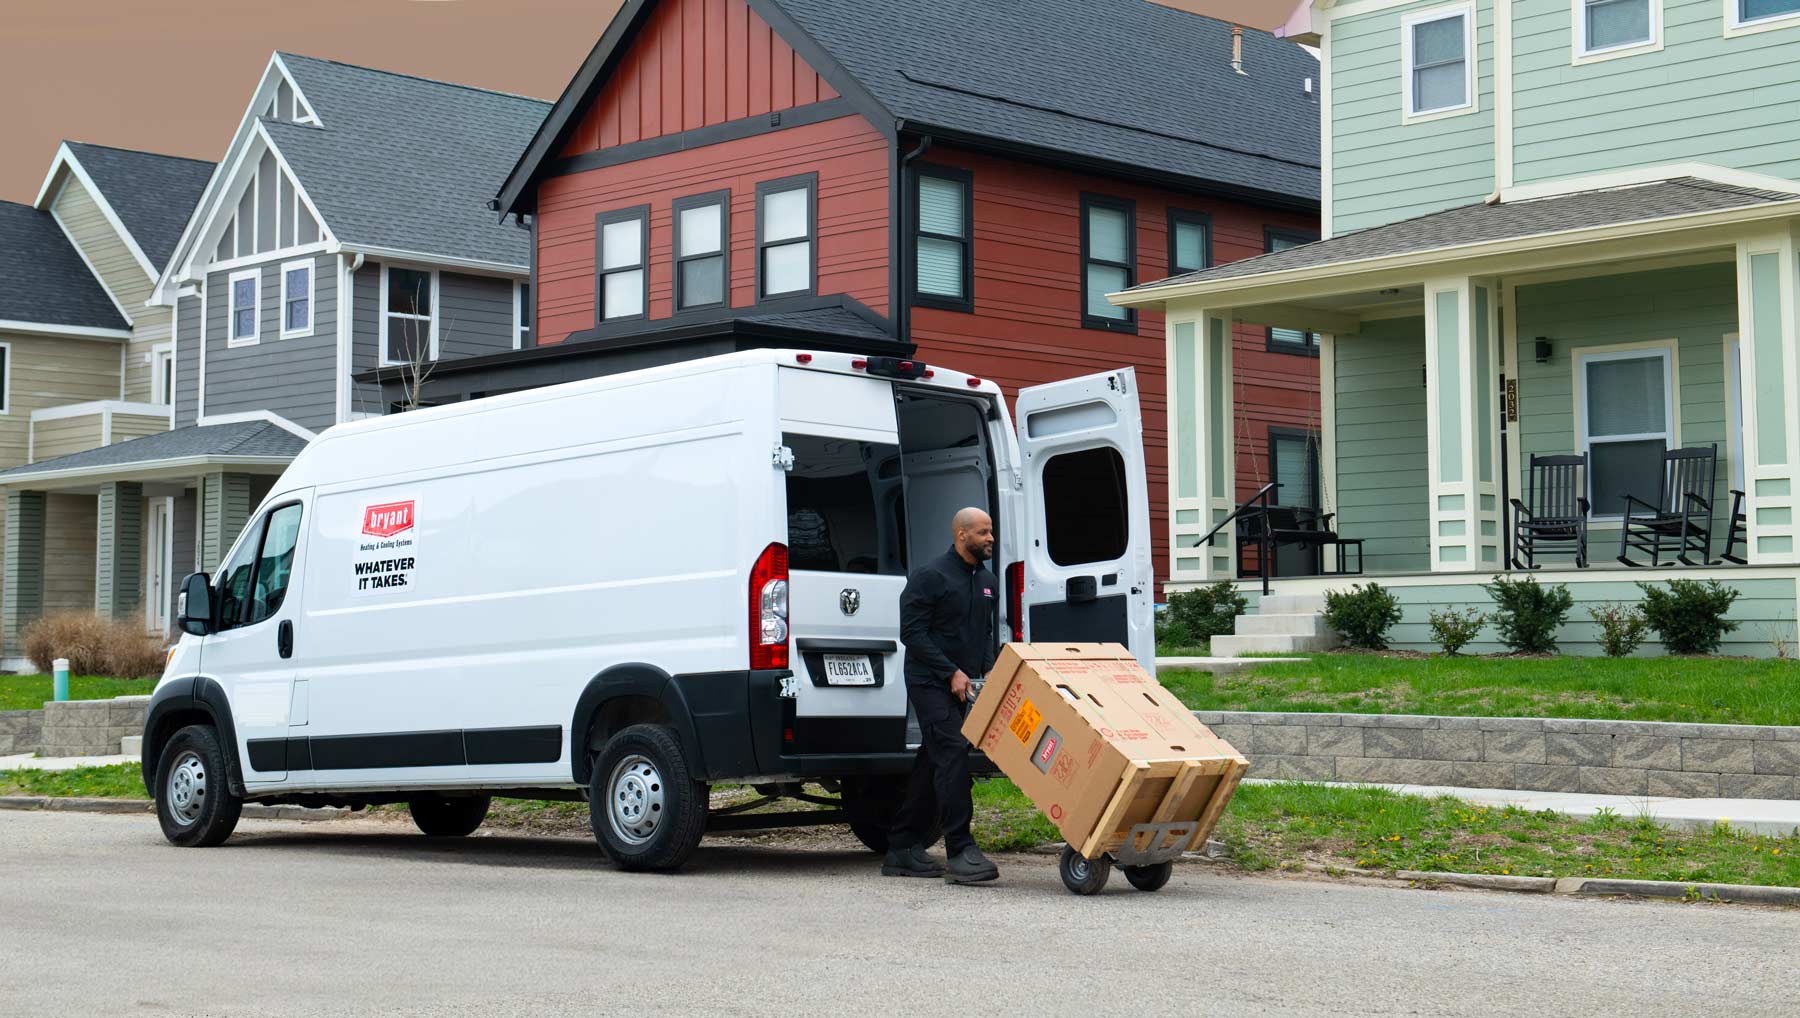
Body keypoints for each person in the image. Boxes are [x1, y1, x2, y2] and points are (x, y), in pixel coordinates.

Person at [883, 506, 1001, 885]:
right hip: (929, 681)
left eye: (991, 532)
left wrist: (986, 673)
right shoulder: (930, 577)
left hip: (965, 684)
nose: (990, 539)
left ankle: (901, 846)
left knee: (933, 759)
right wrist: (949, 671)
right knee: (951, 751)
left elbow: (984, 633)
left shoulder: (986, 581)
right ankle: (961, 848)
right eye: (983, 533)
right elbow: (912, 634)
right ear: (961, 535)